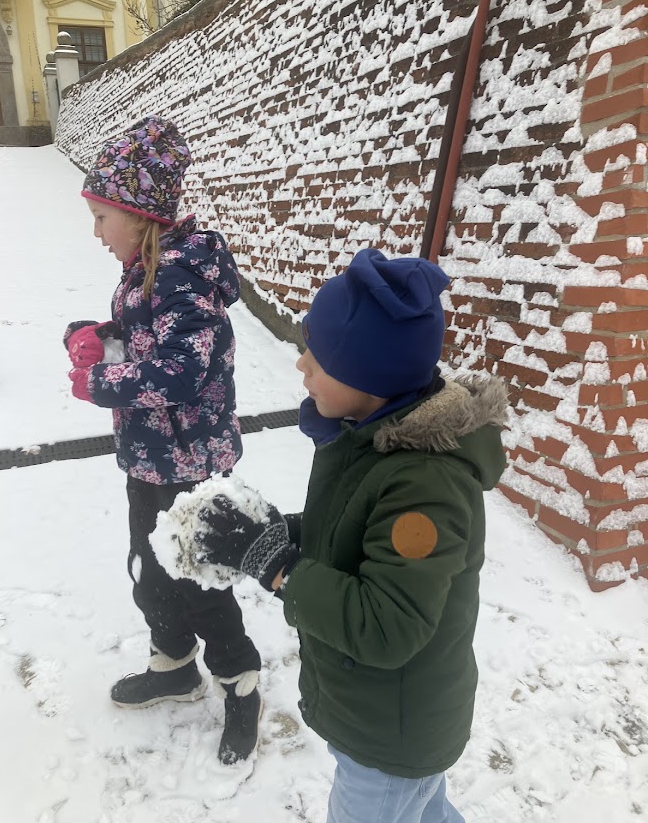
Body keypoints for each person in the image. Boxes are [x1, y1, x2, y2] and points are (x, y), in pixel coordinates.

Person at [176, 247, 509, 819]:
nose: (300, 365)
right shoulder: (371, 437)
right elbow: (355, 533)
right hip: (377, 715)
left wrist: (278, 567)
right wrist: (276, 533)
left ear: (367, 374)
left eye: (318, 355)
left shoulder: (424, 490)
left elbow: (386, 626)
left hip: (391, 737)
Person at [64, 115, 261, 765]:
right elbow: (144, 343)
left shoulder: (184, 275)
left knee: (201, 583)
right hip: (149, 459)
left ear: (139, 214)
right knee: (150, 573)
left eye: (101, 218)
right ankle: (174, 667)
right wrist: (99, 338)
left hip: (190, 465)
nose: (96, 233)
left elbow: (182, 371)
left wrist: (102, 381)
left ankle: (240, 684)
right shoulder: (142, 270)